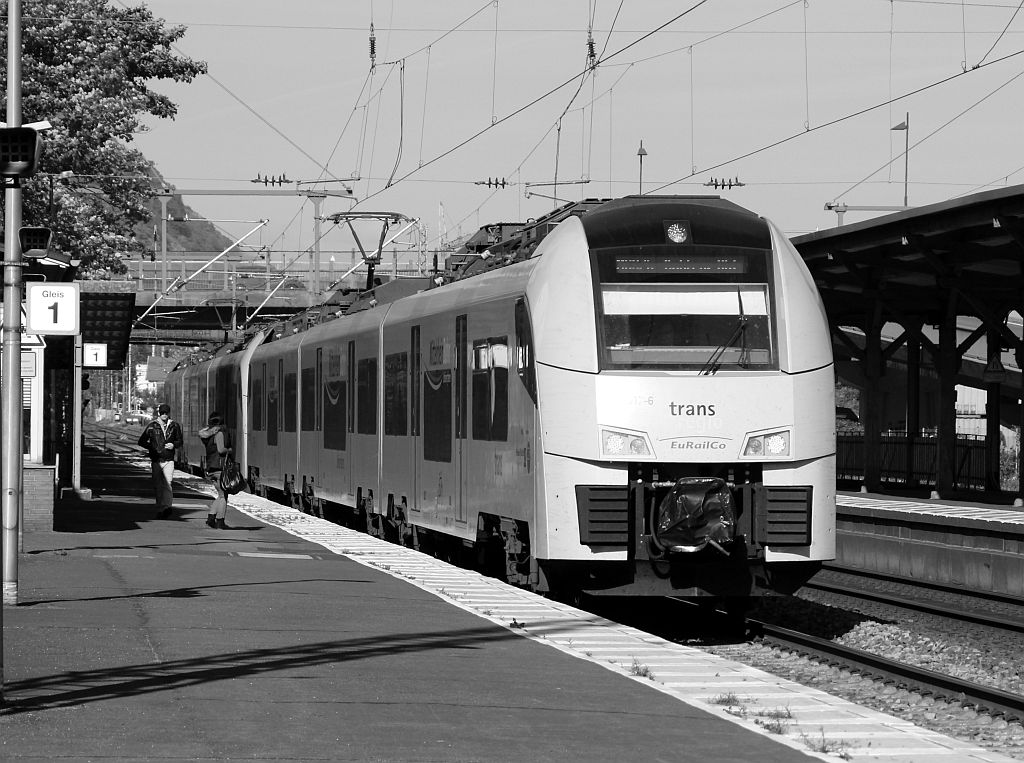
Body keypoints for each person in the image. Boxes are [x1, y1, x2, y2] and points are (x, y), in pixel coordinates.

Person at [137, 403, 183, 519]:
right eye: (162, 413)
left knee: (168, 483)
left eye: (166, 413)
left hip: (169, 459)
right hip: (156, 459)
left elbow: (180, 441)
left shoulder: (174, 426)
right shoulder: (152, 426)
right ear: (159, 413)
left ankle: (167, 507)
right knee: (158, 485)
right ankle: (160, 507)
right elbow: (141, 441)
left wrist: (173, 445)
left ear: (168, 413)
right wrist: (151, 447)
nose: (164, 415)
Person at [199, 413, 233, 529]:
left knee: (220, 494)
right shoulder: (219, 434)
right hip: (219, 468)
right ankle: (220, 521)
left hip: (211, 468)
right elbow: (221, 450)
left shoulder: (207, 436)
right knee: (224, 496)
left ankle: (211, 518)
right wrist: (229, 450)